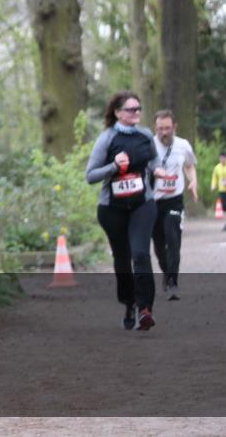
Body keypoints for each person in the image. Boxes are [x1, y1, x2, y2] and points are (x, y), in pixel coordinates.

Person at [85, 91, 158, 331]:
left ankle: (146, 308)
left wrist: (157, 174)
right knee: (122, 259)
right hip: (112, 209)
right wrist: (114, 167)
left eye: (138, 109)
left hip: (142, 204)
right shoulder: (107, 139)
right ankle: (129, 302)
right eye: (131, 109)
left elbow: (154, 163)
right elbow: (90, 176)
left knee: (140, 254)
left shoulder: (146, 135)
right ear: (118, 112)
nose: (136, 113)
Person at [150, 110, 197, 301]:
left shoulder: (183, 145)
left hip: (174, 200)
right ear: (156, 128)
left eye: (167, 128)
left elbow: (189, 165)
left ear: (174, 127)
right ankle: (166, 272)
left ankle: (173, 283)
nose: (164, 132)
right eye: (160, 129)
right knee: (159, 246)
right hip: (152, 201)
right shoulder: (149, 145)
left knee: (173, 239)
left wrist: (193, 181)